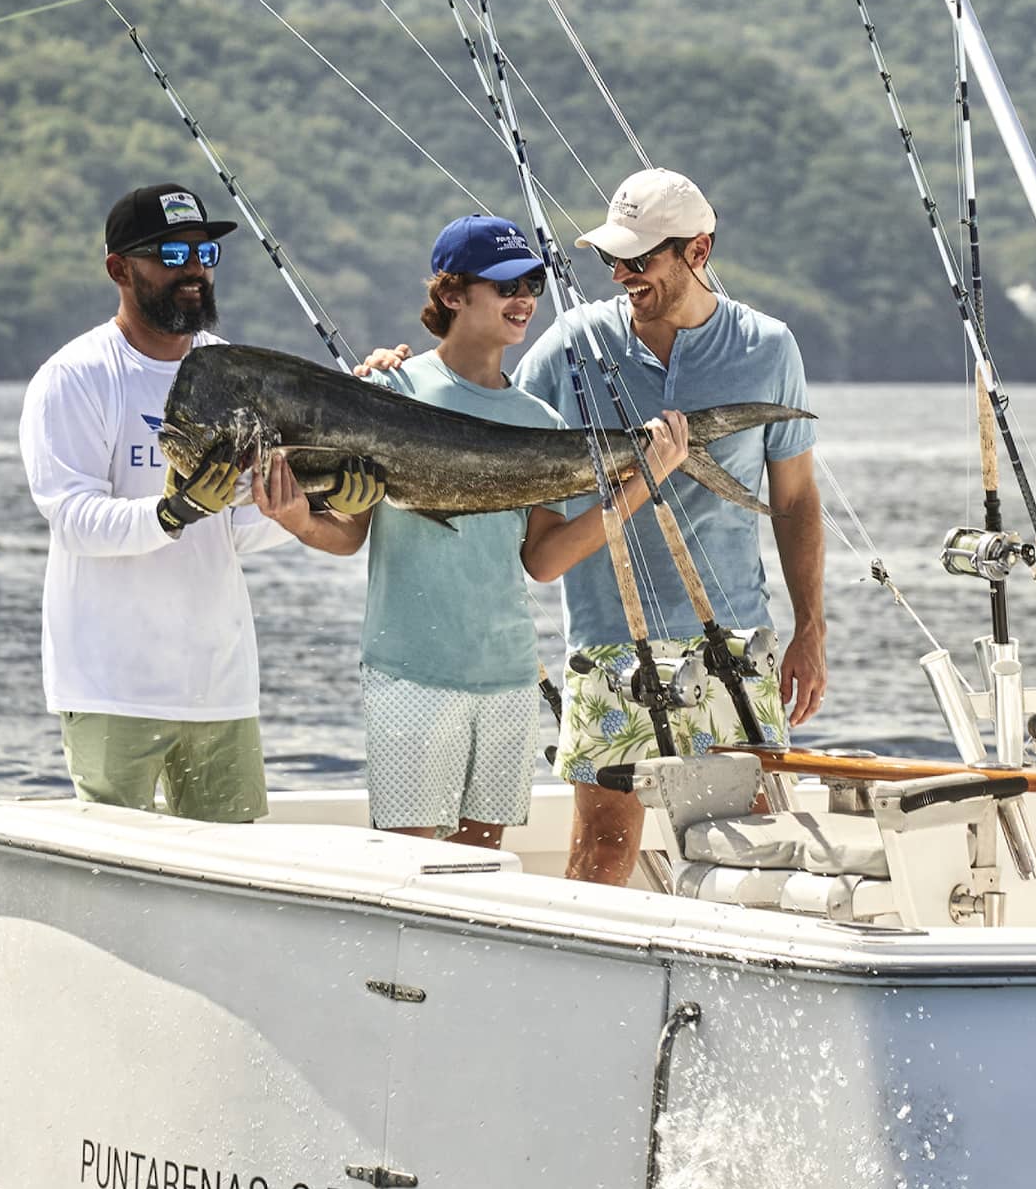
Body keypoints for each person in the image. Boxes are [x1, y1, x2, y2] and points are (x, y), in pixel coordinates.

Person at [18, 183, 374, 824]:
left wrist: (305, 512)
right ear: (118, 268)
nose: (193, 268)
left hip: (220, 688)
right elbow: (71, 517)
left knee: (235, 875)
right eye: (171, 252)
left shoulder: (234, 372)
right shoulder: (76, 376)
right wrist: (171, 513)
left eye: (205, 251)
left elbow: (234, 527)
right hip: (109, 688)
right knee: (118, 873)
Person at [513, 167, 825, 887]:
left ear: (698, 250)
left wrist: (811, 629)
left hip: (736, 645)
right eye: (612, 259)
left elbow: (798, 498)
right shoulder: (571, 344)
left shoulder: (768, 347)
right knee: (601, 851)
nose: (622, 273)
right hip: (606, 644)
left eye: (640, 258)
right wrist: (396, 381)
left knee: (748, 857)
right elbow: (488, 413)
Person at [345, 215, 689, 849]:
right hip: (409, 672)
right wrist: (286, 509)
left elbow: (545, 560)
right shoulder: (390, 388)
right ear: (451, 295)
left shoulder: (539, 419)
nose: (524, 298)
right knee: (410, 869)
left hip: (506, 677)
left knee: (482, 869)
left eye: (531, 281)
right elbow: (345, 531)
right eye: (505, 285)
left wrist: (644, 480)